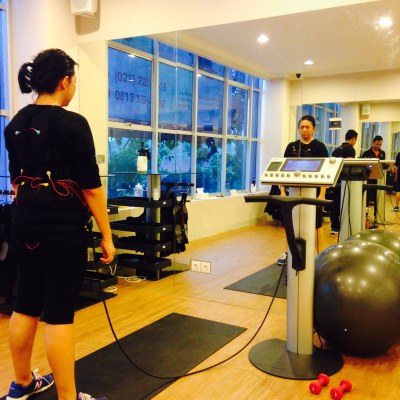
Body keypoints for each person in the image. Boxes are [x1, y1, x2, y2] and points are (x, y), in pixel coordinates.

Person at [3, 49, 115, 400]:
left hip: (23, 222)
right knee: (59, 314)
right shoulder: (73, 123)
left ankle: (22, 383)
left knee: (25, 304)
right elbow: (91, 189)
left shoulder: (14, 125)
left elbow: (17, 182)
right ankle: (68, 397)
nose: (74, 87)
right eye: (74, 81)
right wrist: (107, 236)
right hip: (62, 227)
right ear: (64, 81)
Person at [277, 115, 329, 265]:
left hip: (312, 193)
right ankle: (288, 252)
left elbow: (325, 172)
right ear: (298, 129)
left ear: (314, 129)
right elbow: (284, 170)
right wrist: (282, 191)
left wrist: (322, 193)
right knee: (290, 223)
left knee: (317, 224)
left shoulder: (320, 147)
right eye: (302, 127)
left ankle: (321, 255)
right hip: (293, 192)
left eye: (307, 127)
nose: (304, 130)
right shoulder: (292, 147)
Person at [329, 129, 358, 234]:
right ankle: (345, 226)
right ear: (354, 139)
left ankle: (334, 227)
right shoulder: (350, 149)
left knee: (335, 204)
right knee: (345, 204)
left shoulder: (336, 150)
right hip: (344, 181)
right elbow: (349, 166)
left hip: (335, 180)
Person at [361, 135, 385, 223]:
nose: (379, 146)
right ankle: (365, 217)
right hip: (368, 179)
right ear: (373, 143)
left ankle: (376, 217)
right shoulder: (366, 153)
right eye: (377, 144)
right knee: (366, 199)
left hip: (378, 179)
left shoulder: (383, 153)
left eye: (380, 144)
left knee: (377, 199)